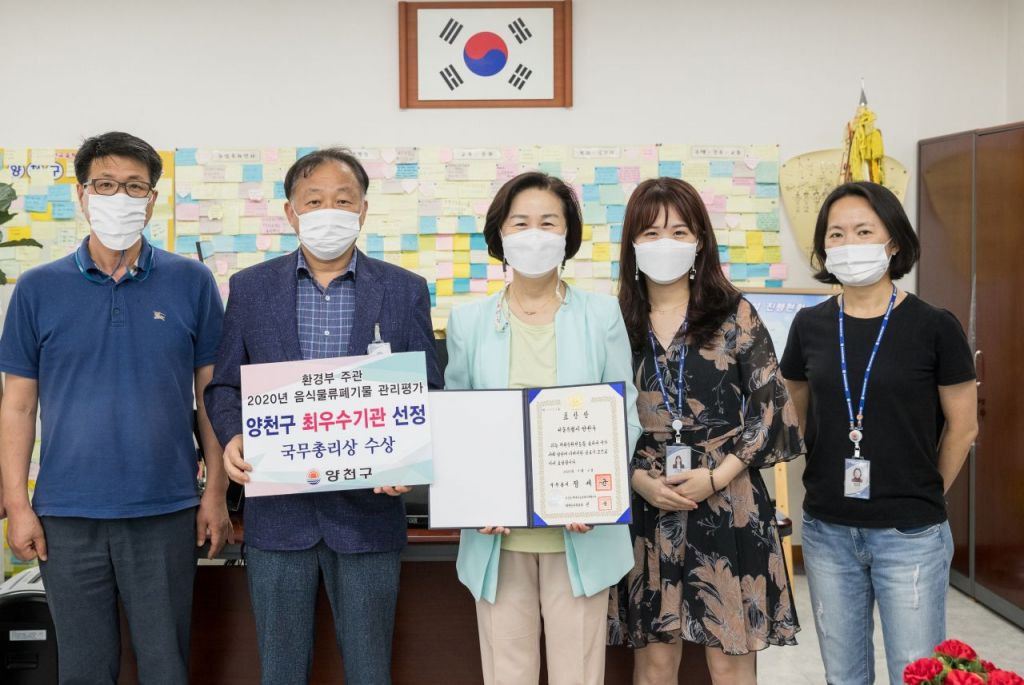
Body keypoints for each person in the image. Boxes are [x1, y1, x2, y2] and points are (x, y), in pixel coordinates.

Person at [0, 131, 233, 684]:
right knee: (83, 670)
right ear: (82, 194)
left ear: (152, 200)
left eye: (134, 187)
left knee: (165, 667)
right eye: (105, 185)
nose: (119, 198)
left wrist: (216, 493)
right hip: (66, 513)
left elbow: (213, 398)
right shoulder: (37, 289)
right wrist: (17, 503)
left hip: (165, 510)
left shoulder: (192, 282)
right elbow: (18, 406)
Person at [204, 147, 442, 685]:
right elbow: (225, 384)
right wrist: (234, 434)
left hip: (368, 515)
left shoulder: (404, 289)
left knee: (369, 672)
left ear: (363, 210)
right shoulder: (251, 288)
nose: (328, 211)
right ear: (291, 213)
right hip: (278, 516)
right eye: (314, 201)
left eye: (343, 200)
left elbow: (427, 385)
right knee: (281, 672)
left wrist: (407, 454)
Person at [445, 171, 641, 685]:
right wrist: (474, 498)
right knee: (506, 674)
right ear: (500, 234)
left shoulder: (602, 314)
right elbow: (458, 424)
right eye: (521, 223)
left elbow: (625, 413)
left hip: (582, 536)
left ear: (567, 234)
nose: (534, 234)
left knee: (578, 675)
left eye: (548, 222)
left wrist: (597, 496)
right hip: (497, 538)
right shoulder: (468, 322)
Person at [780, 181, 978, 685]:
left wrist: (925, 492)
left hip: (910, 534)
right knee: (844, 676)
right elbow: (793, 415)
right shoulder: (809, 326)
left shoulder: (934, 325)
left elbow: (963, 426)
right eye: (836, 234)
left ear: (893, 242)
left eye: (864, 231)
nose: (849, 244)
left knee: (917, 673)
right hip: (827, 530)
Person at [608, 177, 803, 685]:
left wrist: (716, 477)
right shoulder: (614, 321)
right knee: (654, 664)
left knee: (730, 660)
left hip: (728, 501)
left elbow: (769, 409)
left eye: (679, 232)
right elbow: (596, 414)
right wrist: (637, 480)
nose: (665, 243)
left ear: (699, 242)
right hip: (647, 506)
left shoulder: (735, 314)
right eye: (651, 233)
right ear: (632, 244)